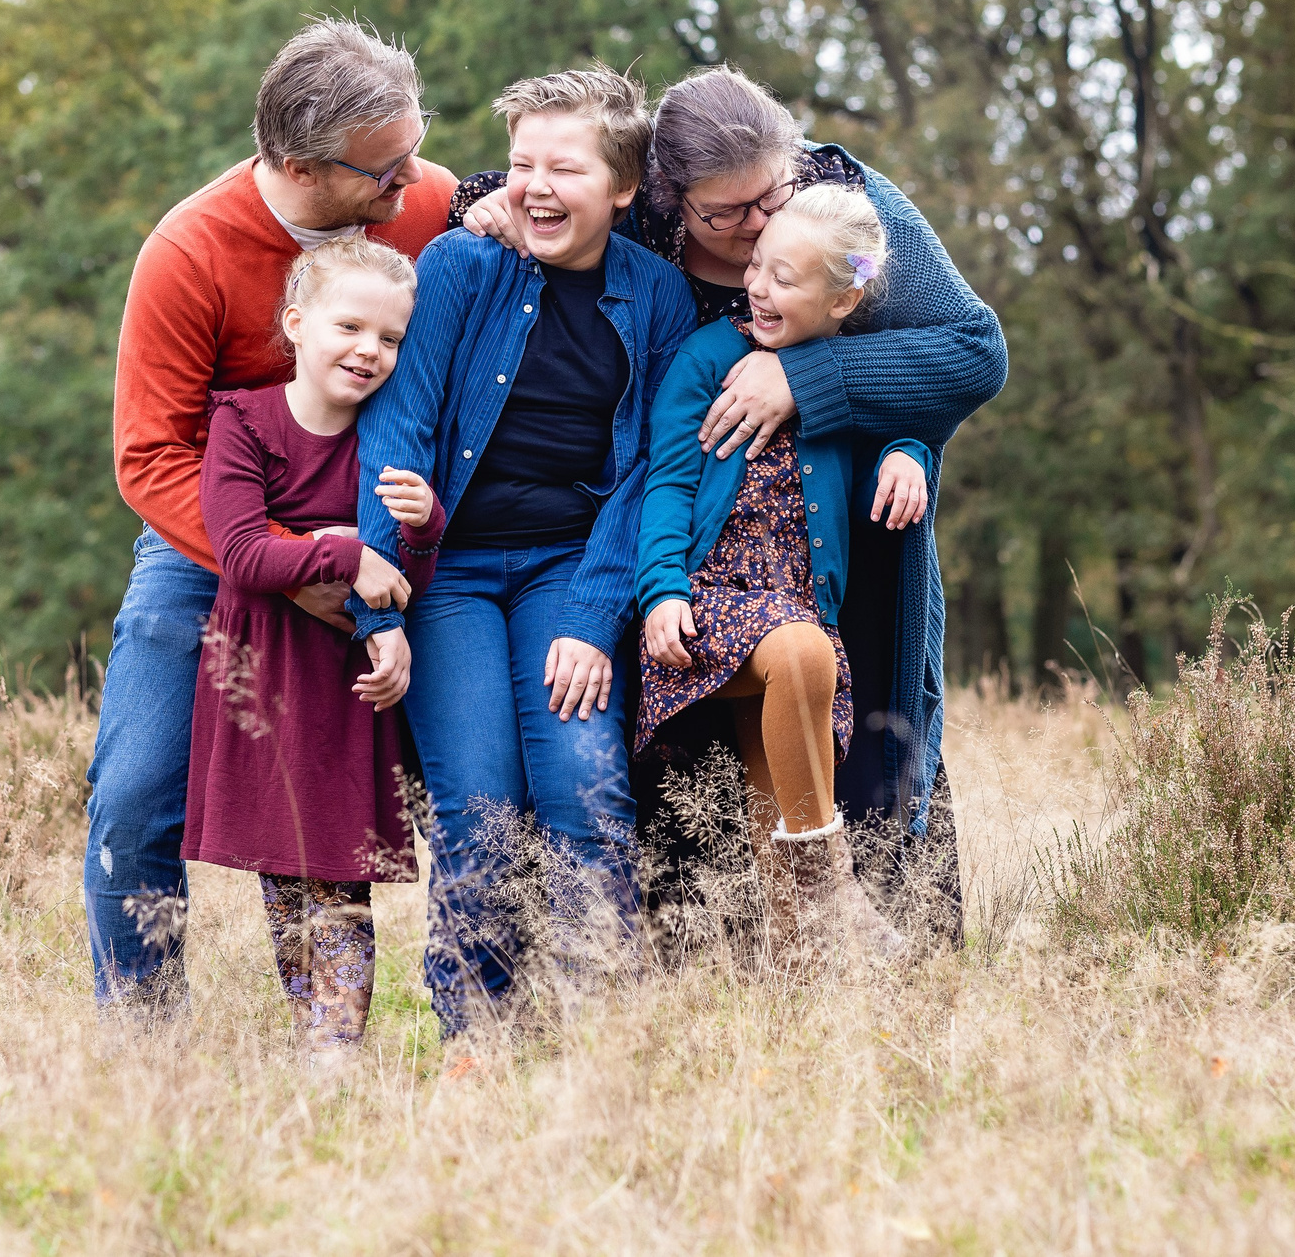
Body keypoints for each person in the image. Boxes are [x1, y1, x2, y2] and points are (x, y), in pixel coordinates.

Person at [454, 67, 1005, 941]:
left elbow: (970, 349)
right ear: (664, 196)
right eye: (726, 215)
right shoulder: (635, 220)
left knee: (865, 757)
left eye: (770, 197)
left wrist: (807, 377)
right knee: (693, 839)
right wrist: (482, 204)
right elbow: (543, 181)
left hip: (840, 557)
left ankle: (885, 959)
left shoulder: (846, 211)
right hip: (682, 565)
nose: (756, 227)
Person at [88, 18, 457, 1007]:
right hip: (217, 538)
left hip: (395, 529)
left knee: (473, 780)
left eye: (415, 147)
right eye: (384, 168)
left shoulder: (431, 204)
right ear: (300, 166)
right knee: (135, 793)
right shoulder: (190, 252)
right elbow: (151, 458)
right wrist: (295, 566)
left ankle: (485, 1023)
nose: (412, 179)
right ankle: (140, 1044)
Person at [354, 66, 697, 1035]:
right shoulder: (461, 266)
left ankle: (601, 1030)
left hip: (569, 571)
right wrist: (377, 602)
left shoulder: (658, 297)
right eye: (521, 164)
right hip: (449, 572)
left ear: (623, 186)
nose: (536, 187)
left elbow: (651, 470)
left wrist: (593, 617)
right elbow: (398, 428)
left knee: (584, 789)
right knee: (481, 807)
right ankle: (479, 1034)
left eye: (565, 168)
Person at [635, 186, 933, 959]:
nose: (759, 288)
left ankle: (803, 973)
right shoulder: (709, 357)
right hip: (707, 604)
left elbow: (903, 428)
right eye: (757, 267)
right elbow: (666, 482)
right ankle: (837, 889)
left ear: (843, 300)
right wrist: (661, 590)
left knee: (781, 771)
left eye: (786, 278)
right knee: (801, 653)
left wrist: (909, 455)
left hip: (800, 608)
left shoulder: (849, 372)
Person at [183, 234, 446, 1054]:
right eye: (350, 327)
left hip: (346, 680)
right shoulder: (243, 422)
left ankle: (336, 1050)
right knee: (285, 871)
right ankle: (311, 1031)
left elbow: (406, 578)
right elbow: (242, 554)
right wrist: (344, 551)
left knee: (338, 868)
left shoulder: (389, 434)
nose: (370, 351)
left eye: (390, 338)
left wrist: (423, 526)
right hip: (268, 672)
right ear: (297, 324)